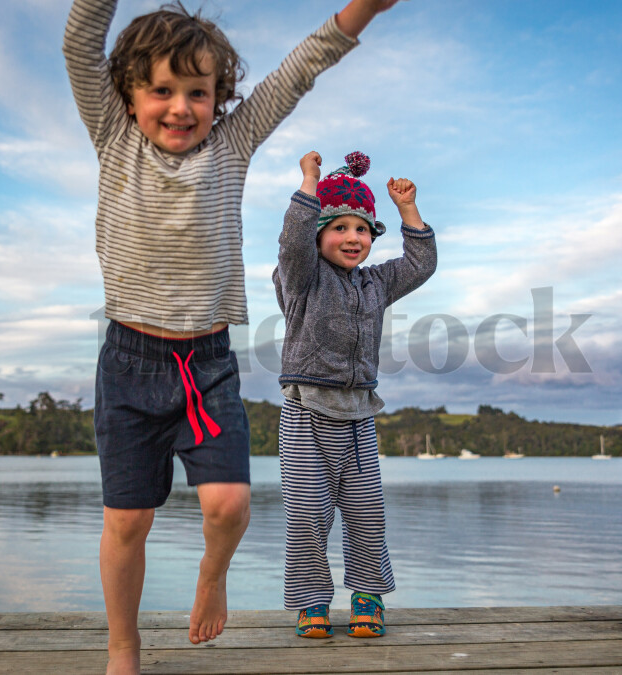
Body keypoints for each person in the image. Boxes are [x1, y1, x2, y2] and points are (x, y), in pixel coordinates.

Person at [63, 1, 403, 672]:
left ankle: (212, 574)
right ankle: (122, 643)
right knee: (127, 520)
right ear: (128, 95)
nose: (181, 107)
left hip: (208, 360)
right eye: (161, 90)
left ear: (219, 100)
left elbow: (297, 72)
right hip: (129, 360)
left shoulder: (232, 144)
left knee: (230, 505)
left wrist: (361, 10)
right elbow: (80, 40)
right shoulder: (112, 134)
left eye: (198, 92)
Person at [272, 150, 437, 638]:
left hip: (359, 418)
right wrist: (308, 183)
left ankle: (367, 595)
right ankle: (311, 603)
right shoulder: (301, 278)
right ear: (319, 233)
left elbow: (420, 264)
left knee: (367, 517)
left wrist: (407, 209)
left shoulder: (375, 284)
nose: (353, 238)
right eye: (340, 228)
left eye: (362, 229)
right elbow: (291, 244)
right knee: (307, 518)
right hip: (306, 414)